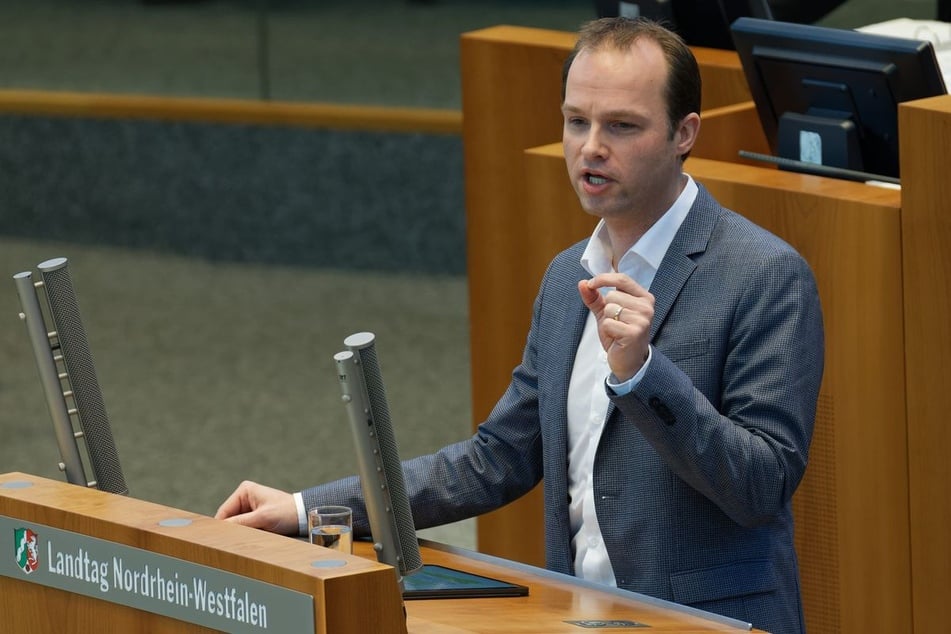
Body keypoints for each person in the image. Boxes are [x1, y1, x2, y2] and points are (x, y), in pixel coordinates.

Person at [216, 17, 823, 634]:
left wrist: (643, 374)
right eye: (576, 120)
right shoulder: (568, 277)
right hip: (577, 618)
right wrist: (304, 508)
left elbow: (760, 486)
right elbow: (496, 458)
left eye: (622, 126)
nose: (591, 147)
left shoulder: (764, 274)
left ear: (683, 133)